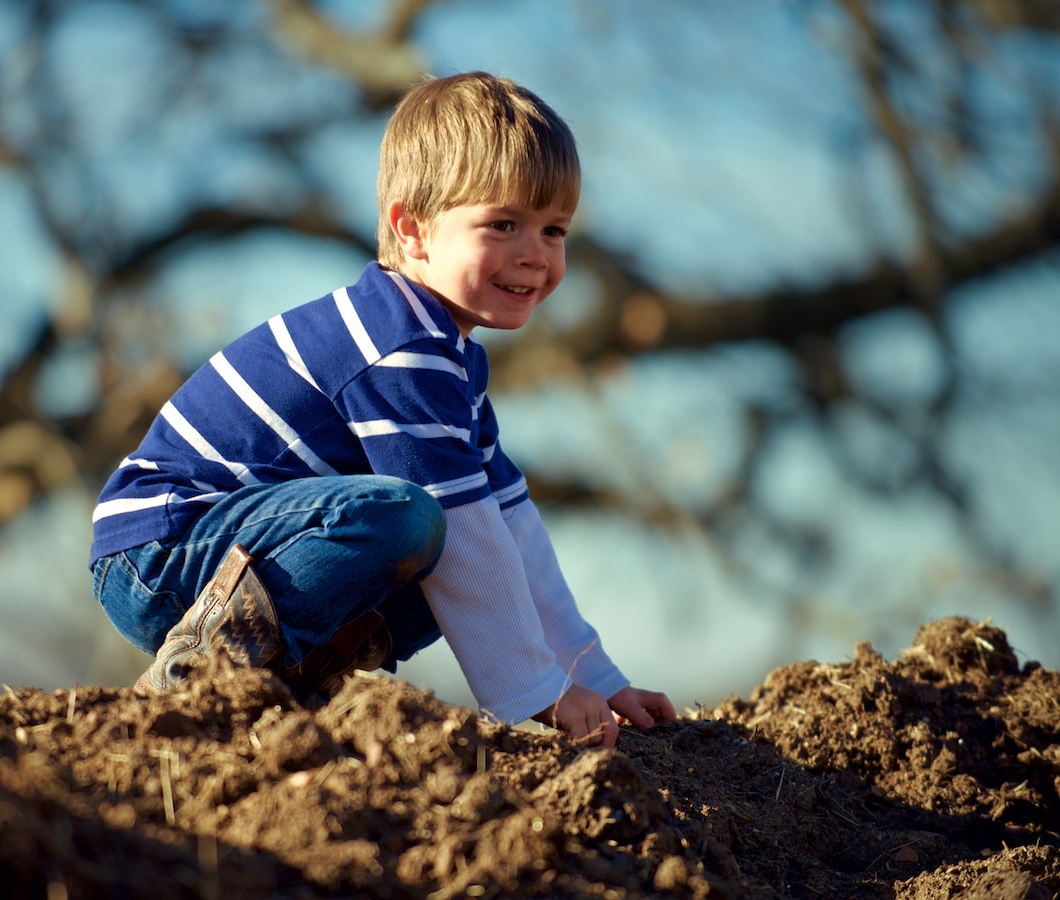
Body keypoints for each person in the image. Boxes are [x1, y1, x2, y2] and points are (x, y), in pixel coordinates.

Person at [90, 71, 676, 747]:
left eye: (555, 230)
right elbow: (461, 523)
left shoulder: (449, 361)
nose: (535, 255)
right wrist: (538, 694)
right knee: (411, 521)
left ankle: (294, 688)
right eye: (503, 224)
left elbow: (508, 531)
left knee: (448, 561)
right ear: (413, 229)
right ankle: (202, 673)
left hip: (238, 550)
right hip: (163, 551)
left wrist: (592, 675)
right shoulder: (395, 342)